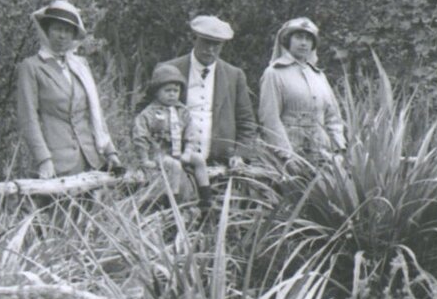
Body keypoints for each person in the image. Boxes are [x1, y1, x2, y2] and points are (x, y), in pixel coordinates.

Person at [15, 0, 123, 178]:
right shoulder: (32, 67)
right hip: (57, 161)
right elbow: (28, 118)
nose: (62, 35)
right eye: (57, 29)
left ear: (73, 35)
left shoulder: (79, 66)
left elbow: (95, 111)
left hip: (91, 159)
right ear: (46, 30)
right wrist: (43, 159)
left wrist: (110, 152)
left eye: (67, 31)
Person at [161, 14, 260, 171]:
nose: (210, 49)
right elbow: (146, 113)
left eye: (217, 44)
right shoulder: (170, 70)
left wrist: (240, 154)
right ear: (194, 39)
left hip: (220, 164)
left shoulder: (234, 75)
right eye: (206, 42)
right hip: (176, 163)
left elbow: (246, 122)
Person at [259, 16, 347, 170]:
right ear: (288, 40)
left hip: (322, 156)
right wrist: (287, 156)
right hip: (289, 158)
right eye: (299, 37)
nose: (304, 43)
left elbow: (332, 117)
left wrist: (338, 150)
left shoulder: (319, 76)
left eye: (308, 38)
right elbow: (270, 118)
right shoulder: (274, 73)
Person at [129, 62, 210, 204]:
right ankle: (172, 199)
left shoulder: (182, 111)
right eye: (167, 91)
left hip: (180, 152)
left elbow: (191, 134)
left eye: (176, 90)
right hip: (160, 153)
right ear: (156, 92)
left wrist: (188, 152)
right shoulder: (149, 113)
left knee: (199, 159)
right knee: (174, 166)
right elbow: (140, 136)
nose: (172, 94)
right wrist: (145, 159)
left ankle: (206, 197)